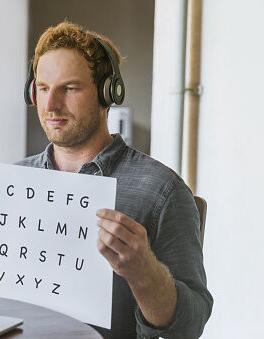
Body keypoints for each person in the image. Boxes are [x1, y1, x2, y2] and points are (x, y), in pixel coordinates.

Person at [17, 21, 213, 339]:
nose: (50, 105)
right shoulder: (11, 182)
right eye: (42, 88)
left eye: (69, 88)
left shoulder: (162, 192)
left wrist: (144, 273)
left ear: (109, 93)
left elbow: (190, 326)